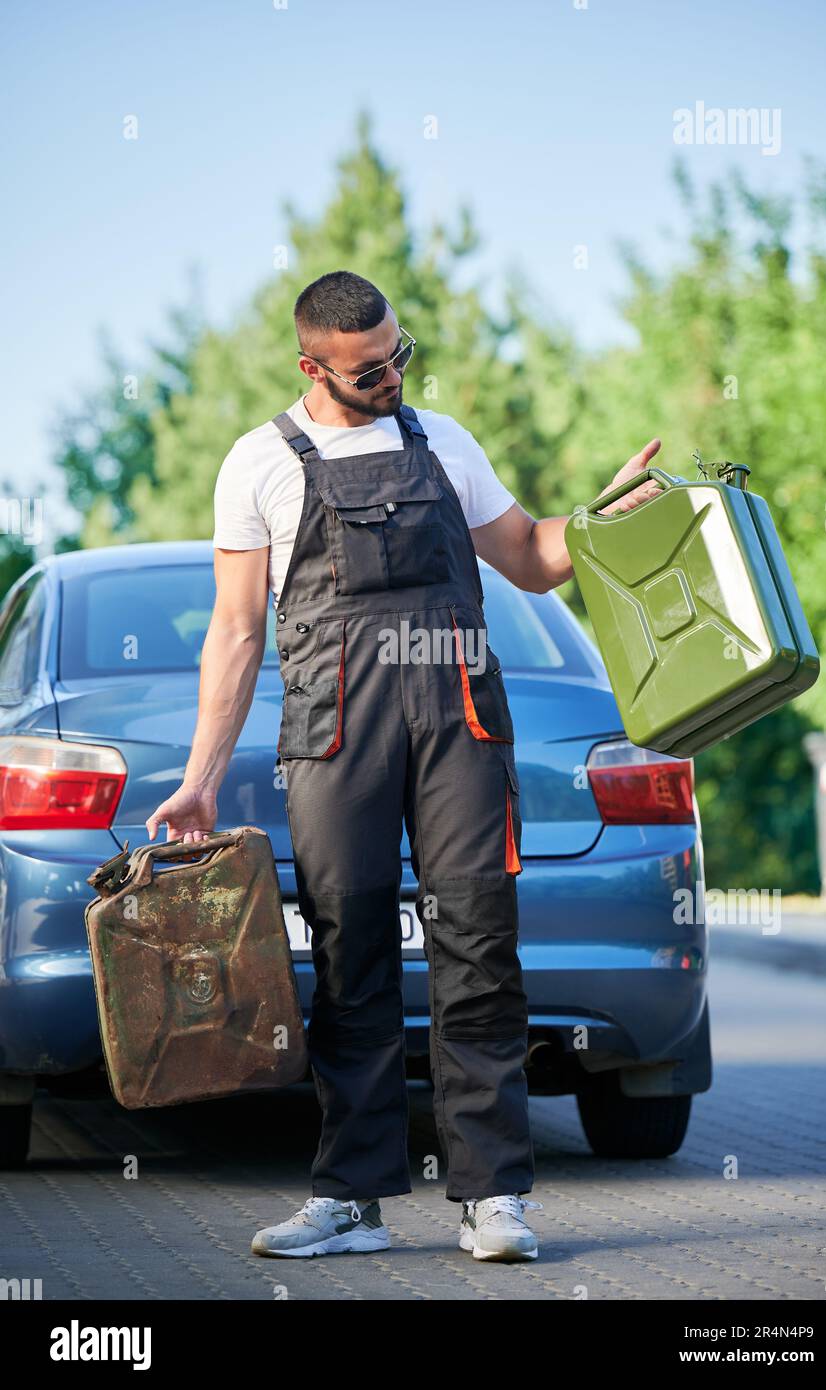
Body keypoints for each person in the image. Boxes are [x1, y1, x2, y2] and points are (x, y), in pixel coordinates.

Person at [145, 270, 662, 1263]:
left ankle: (493, 1197)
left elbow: (530, 556)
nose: (391, 376)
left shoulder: (443, 443)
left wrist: (603, 519)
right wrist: (202, 774)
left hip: (460, 716)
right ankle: (351, 1197)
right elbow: (237, 629)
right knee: (350, 953)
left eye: (399, 355)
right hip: (335, 729)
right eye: (368, 369)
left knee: (477, 943)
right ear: (312, 366)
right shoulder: (258, 462)